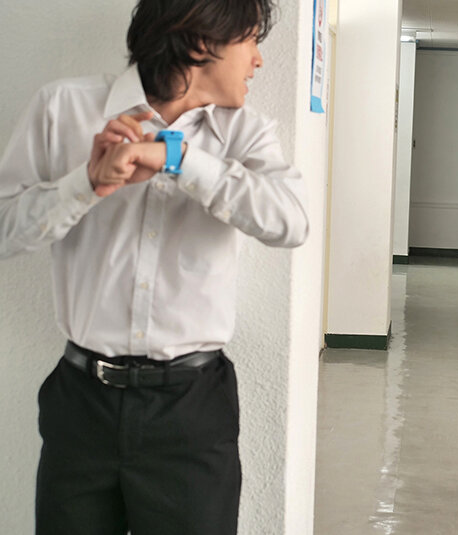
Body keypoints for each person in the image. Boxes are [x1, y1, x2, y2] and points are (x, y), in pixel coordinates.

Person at [0, 0, 308, 533]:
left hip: (192, 411)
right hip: (81, 402)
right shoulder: (62, 108)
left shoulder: (247, 133)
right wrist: (86, 184)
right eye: (251, 41)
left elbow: (291, 222)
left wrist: (179, 159)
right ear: (202, 41)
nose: (259, 60)